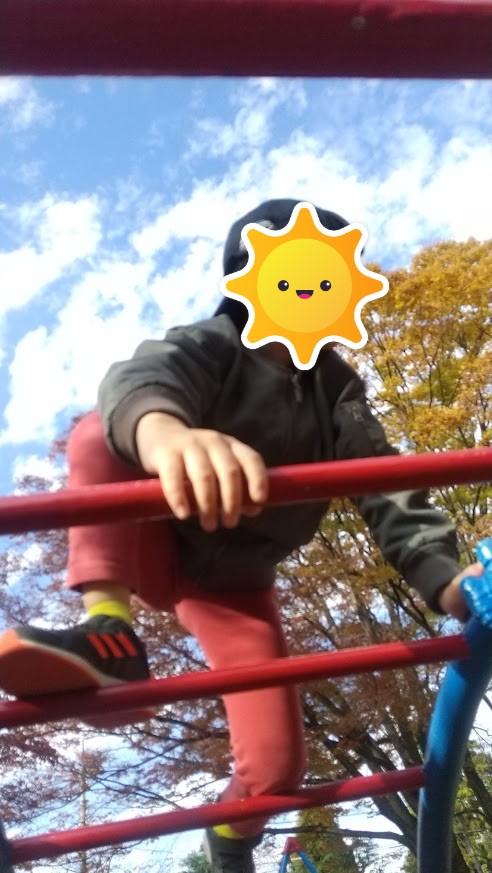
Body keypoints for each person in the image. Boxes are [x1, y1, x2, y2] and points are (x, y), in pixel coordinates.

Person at [0, 200, 483, 873]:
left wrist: (446, 576)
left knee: (280, 763)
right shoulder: (215, 346)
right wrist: (165, 432)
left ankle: (230, 834)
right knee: (99, 431)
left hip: (235, 585)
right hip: (159, 535)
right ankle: (108, 628)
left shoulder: (338, 395)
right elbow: (140, 378)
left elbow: (388, 489)